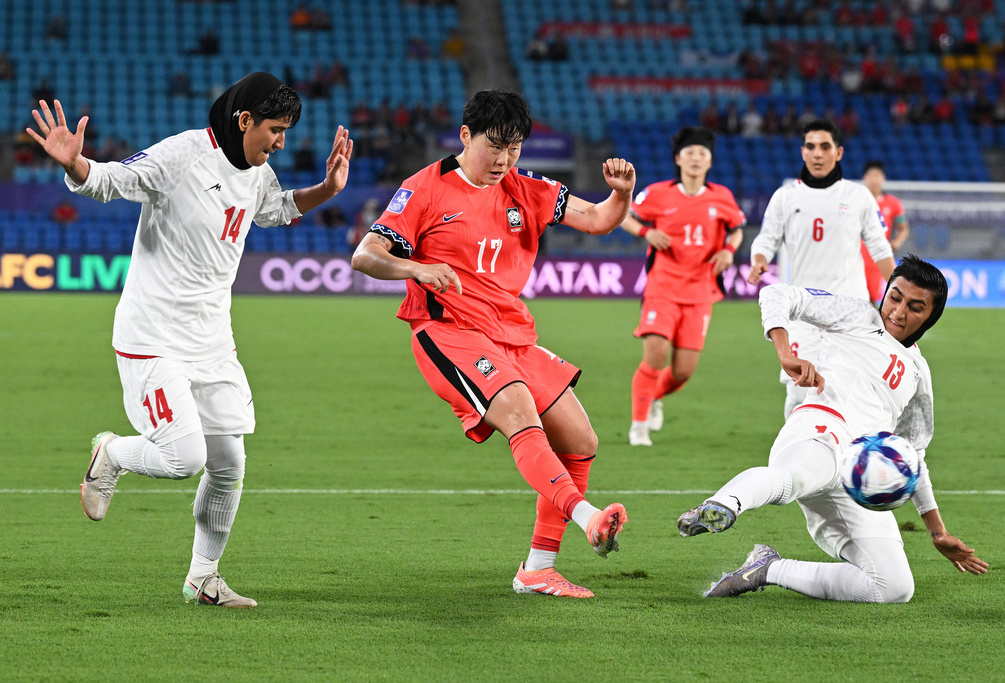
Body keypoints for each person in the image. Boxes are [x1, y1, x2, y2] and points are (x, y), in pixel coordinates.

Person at [27, 72, 353, 608]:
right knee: (184, 456)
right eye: (275, 129)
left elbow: (271, 211)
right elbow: (113, 182)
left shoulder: (257, 172)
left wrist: (327, 191)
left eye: (287, 132)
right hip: (153, 335)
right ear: (244, 120)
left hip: (212, 339)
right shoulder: (182, 155)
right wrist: (75, 165)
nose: (281, 143)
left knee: (229, 463)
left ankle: (204, 578)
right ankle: (111, 453)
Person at [351, 89, 635, 599]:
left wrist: (621, 195)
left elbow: (597, 220)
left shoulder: (526, 189)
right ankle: (589, 518)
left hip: (511, 332)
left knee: (580, 441)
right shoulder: (424, 189)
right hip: (448, 330)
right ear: (465, 135)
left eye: (515, 148)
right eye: (494, 146)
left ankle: (537, 570)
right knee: (520, 412)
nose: (504, 159)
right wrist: (417, 267)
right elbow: (366, 255)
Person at [678, 256, 988, 602]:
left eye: (915, 307)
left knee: (893, 587)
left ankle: (767, 568)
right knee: (791, 478)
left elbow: (913, 456)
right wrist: (784, 350)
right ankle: (721, 505)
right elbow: (777, 294)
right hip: (820, 429)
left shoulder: (918, 373)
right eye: (895, 297)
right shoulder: (858, 315)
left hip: (861, 476)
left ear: (931, 316)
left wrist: (937, 532)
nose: (898, 312)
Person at [747, 119, 895, 417]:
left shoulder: (858, 197)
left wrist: (897, 291)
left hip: (851, 311)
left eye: (825, 147)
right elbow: (766, 239)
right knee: (800, 391)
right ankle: (795, 456)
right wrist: (759, 260)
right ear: (802, 152)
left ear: (838, 153)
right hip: (804, 312)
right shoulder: (786, 197)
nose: (817, 154)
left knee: (852, 393)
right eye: (811, 147)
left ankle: (845, 458)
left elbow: (879, 247)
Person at [618, 127, 746, 447]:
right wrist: (645, 233)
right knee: (656, 354)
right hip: (662, 285)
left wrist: (729, 251)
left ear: (710, 161)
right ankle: (638, 426)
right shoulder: (658, 193)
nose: (695, 158)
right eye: (689, 153)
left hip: (700, 290)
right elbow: (624, 216)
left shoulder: (722, 197)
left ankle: (654, 398)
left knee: (683, 372)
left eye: (702, 153)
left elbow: (736, 231)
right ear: (678, 158)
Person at [861, 161, 910, 302]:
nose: (874, 180)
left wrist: (896, 243)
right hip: (856, 257)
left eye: (878, 176)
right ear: (865, 178)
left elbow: (903, 228)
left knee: (872, 299)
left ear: (883, 179)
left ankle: (870, 324)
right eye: (871, 176)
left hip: (877, 259)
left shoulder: (893, 203)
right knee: (855, 297)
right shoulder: (857, 200)